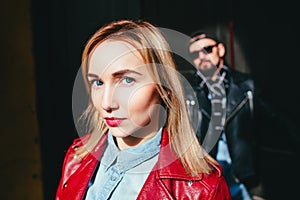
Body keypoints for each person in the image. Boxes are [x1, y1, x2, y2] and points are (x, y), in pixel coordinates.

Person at [55, 19, 231, 200]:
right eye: (98, 82)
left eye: (127, 80)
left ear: (164, 86)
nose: (107, 103)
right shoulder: (77, 158)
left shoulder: (202, 190)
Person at [186, 30, 267, 200]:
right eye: (195, 53)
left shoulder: (247, 86)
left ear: (220, 50)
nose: (202, 56)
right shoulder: (186, 91)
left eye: (207, 49)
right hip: (206, 177)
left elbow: (270, 128)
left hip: (244, 177)